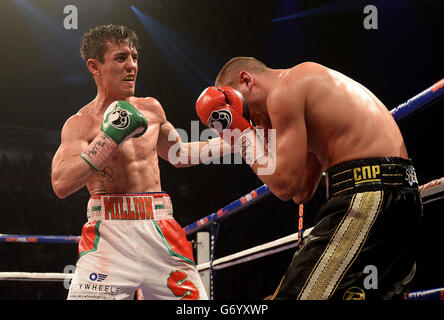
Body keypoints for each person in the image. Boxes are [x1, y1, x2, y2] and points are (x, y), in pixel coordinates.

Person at [195, 57, 423, 300]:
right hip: (398, 196)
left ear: (246, 80)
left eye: (245, 112)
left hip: (369, 196)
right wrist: (264, 137)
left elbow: (283, 186)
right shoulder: (308, 96)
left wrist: (241, 135)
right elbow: (301, 191)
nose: (251, 121)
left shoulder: (283, 90)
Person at [51, 24, 227, 300]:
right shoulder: (80, 124)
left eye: (134, 57)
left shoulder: (151, 108)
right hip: (107, 238)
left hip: (160, 231)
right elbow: (61, 183)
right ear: (94, 67)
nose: (131, 65)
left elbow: (179, 155)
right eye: (121, 58)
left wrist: (234, 141)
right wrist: (109, 139)